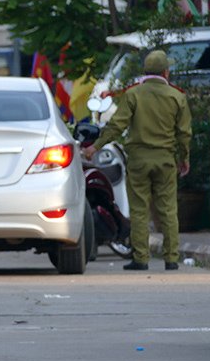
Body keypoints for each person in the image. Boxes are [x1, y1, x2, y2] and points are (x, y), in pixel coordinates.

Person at [82, 50, 191, 271]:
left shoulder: (133, 94)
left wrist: (95, 147)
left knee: (140, 210)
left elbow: (117, 125)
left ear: (145, 71)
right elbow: (184, 133)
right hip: (165, 160)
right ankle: (171, 258)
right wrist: (184, 158)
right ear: (166, 72)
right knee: (168, 210)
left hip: (139, 161)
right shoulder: (177, 96)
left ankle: (141, 258)